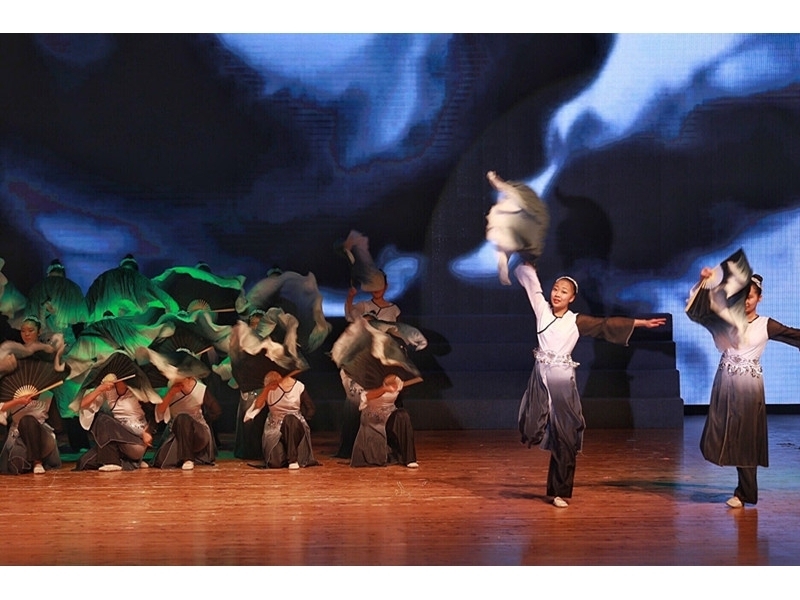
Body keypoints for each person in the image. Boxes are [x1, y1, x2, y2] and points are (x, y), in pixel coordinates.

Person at [515, 262, 665, 508]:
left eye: (564, 291)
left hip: (562, 384)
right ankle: (540, 435)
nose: (557, 294)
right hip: (540, 380)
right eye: (556, 289)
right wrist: (525, 267)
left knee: (566, 437)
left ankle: (559, 491)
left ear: (572, 298)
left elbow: (606, 325)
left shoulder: (576, 321)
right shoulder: (541, 308)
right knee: (531, 428)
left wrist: (640, 323)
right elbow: (532, 285)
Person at [695, 269, 800, 508]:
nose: (745, 302)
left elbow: (795, 335)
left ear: (759, 298)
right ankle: (744, 490)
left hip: (749, 388)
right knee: (721, 431)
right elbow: (701, 308)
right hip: (724, 383)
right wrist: (703, 282)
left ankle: (745, 492)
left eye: (750, 297)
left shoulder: (766, 325)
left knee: (746, 438)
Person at [75, 374, 153, 471]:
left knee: (103, 419)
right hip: (118, 436)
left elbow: (153, 414)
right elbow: (82, 404)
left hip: (136, 441)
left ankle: (113, 462)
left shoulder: (137, 391)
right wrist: (100, 389)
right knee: (84, 462)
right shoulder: (109, 390)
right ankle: (131, 463)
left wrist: (148, 431)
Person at [243, 370, 317, 470]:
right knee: (275, 463)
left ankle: (292, 459)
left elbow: (310, 409)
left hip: (294, 427)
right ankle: (285, 454)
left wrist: (303, 421)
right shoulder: (270, 386)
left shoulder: (299, 387)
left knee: (290, 419)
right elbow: (257, 406)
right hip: (275, 428)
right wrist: (267, 389)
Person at [151, 376, 220, 470]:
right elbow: (160, 412)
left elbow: (216, 411)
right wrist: (171, 393)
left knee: (183, 418)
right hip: (176, 432)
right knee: (160, 461)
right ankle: (182, 456)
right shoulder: (170, 387)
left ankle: (188, 459)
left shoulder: (200, 388)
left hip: (198, 433)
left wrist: (202, 422)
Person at [350, 374, 419, 468]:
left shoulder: (396, 378)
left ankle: (410, 459)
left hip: (389, 414)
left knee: (403, 415)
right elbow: (366, 396)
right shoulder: (367, 379)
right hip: (373, 420)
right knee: (377, 452)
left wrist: (398, 386)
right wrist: (384, 389)